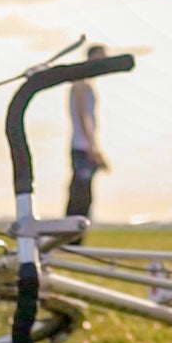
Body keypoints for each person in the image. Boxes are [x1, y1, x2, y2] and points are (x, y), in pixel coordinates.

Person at [65, 43, 111, 240]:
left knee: (84, 194)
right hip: (82, 146)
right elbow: (85, 117)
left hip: (85, 146)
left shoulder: (87, 85)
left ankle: (75, 239)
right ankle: (70, 239)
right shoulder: (81, 84)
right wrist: (93, 149)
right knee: (80, 196)